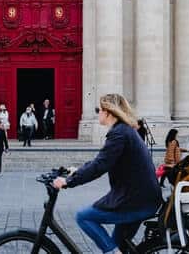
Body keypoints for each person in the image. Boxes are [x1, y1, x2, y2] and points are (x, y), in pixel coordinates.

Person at [53, 94, 162, 254]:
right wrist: (77, 171)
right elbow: (103, 159)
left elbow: (100, 165)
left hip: (136, 201)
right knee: (117, 244)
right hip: (141, 198)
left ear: (109, 112)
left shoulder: (119, 134)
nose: (98, 113)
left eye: (99, 109)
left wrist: (68, 181)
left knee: (84, 217)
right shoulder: (124, 131)